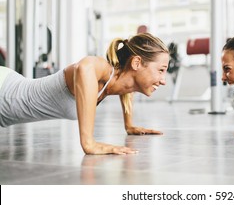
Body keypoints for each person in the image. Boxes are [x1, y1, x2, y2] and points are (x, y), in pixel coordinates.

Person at [0, 33, 169, 155]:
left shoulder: (118, 82)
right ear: (137, 62)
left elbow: (127, 86)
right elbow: (85, 66)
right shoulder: (102, 69)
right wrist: (89, 142)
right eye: (161, 70)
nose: (163, 80)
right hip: (4, 90)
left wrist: (129, 125)